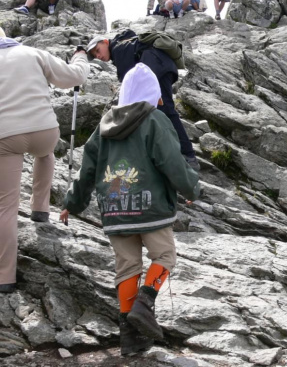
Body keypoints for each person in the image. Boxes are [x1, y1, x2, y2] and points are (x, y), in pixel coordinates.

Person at [60, 63, 200, 357]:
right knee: (164, 256)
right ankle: (144, 304)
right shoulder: (155, 120)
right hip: (151, 210)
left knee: (127, 267)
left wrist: (72, 204)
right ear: (152, 93)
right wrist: (191, 189)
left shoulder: (103, 126)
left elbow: (87, 171)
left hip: (115, 210)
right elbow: (172, 162)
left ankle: (129, 337)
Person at [0, 26, 90, 294]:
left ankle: (4, 277)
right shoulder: (33, 53)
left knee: (5, 207)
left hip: (6, 137)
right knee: (45, 153)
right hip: (44, 130)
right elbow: (74, 77)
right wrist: (81, 57)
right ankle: (40, 209)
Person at [86, 31, 201, 171]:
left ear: (105, 41)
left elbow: (129, 80)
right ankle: (177, 154)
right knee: (159, 112)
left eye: (97, 50)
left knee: (165, 111)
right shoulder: (124, 42)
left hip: (158, 69)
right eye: (94, 55)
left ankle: (188, 156)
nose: (98, 56)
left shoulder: (118, 49)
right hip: (163, 67)